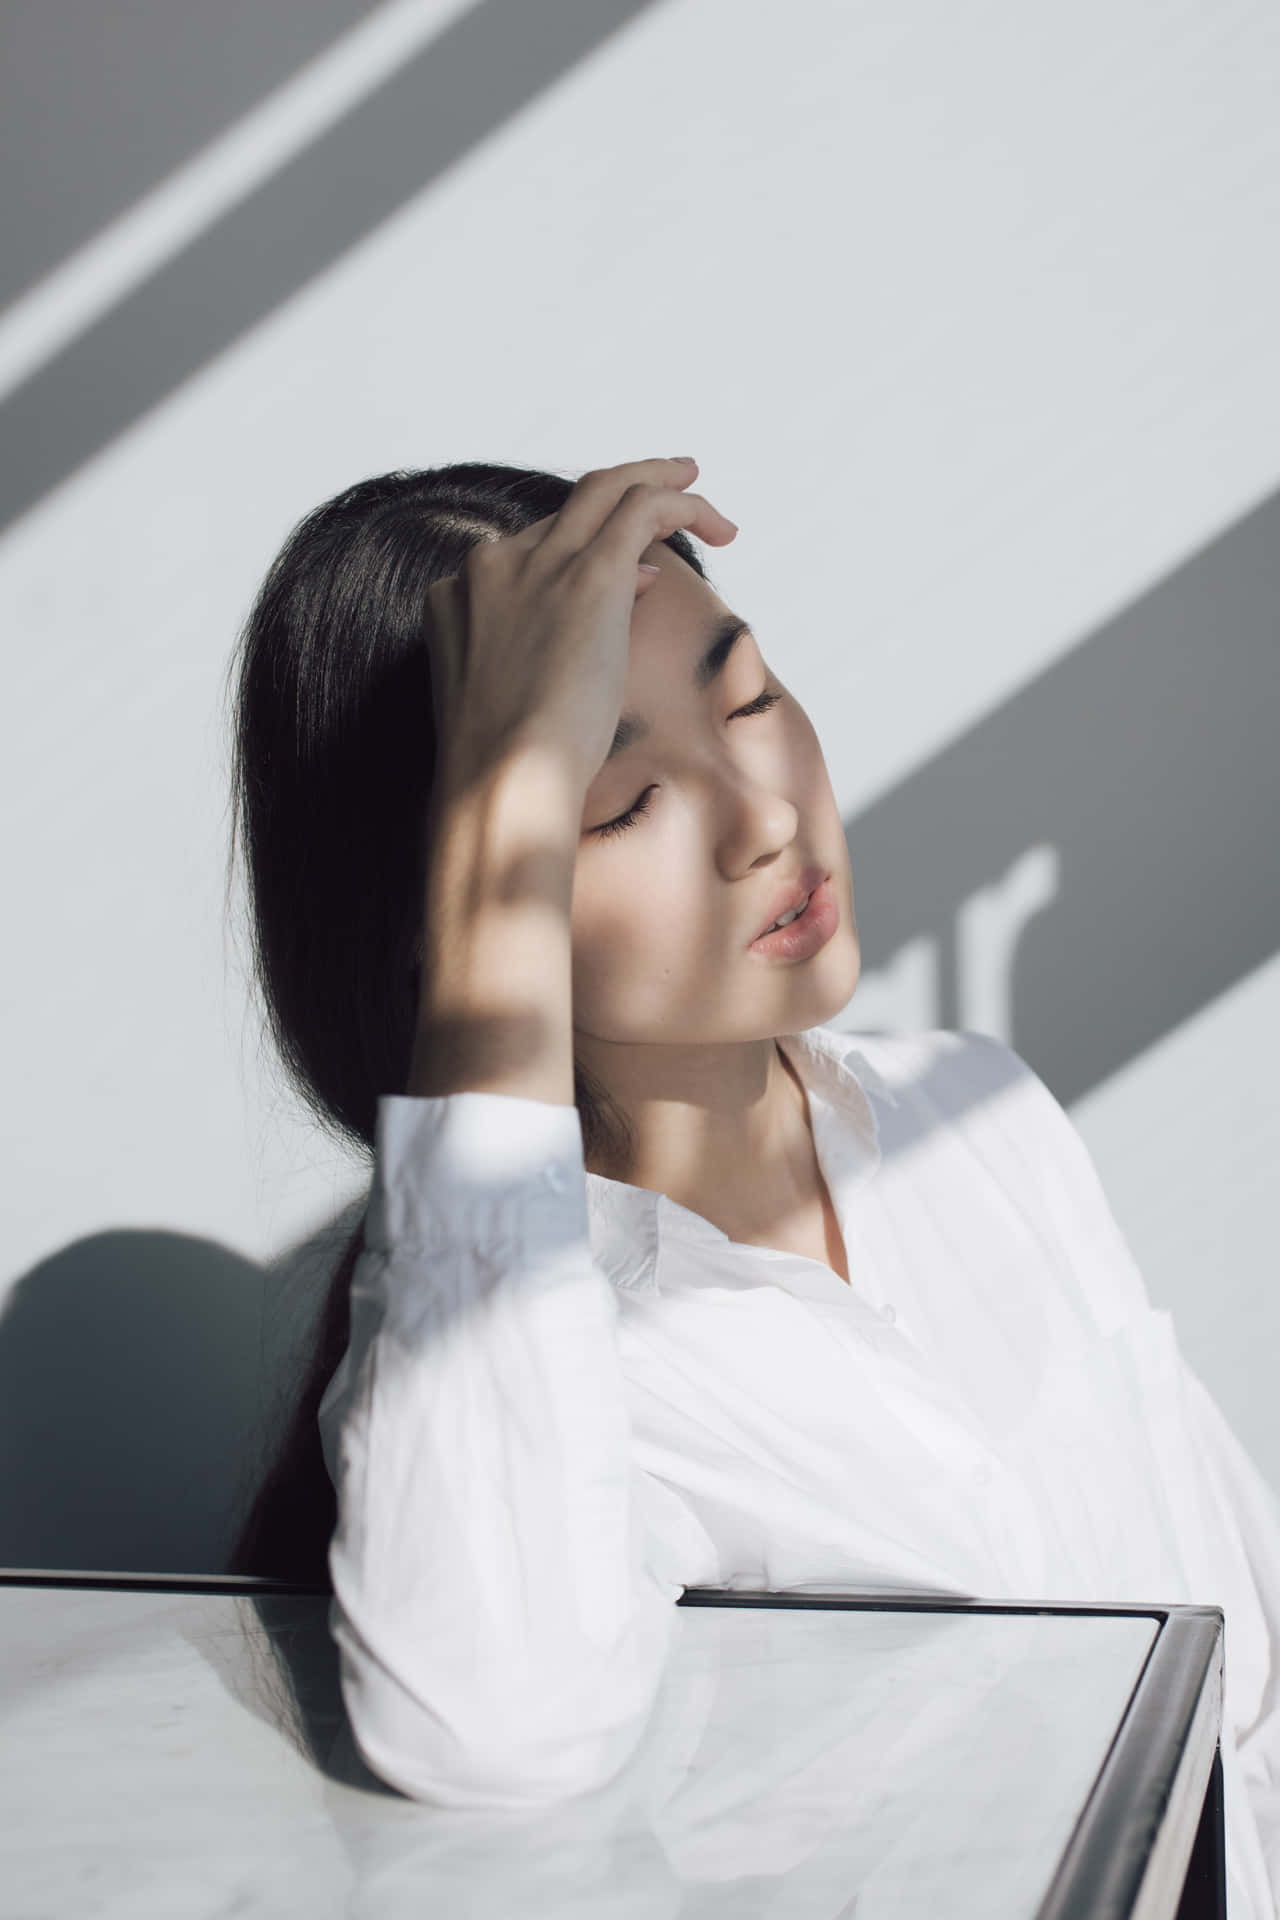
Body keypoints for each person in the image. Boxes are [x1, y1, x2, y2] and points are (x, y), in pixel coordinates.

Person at [227, 457, 1280, 1912]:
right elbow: (494, 1729)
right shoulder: (536, 1359)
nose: (762, 816)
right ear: (461, 909)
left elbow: (1240, 1651)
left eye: (749, 699)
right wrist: (495, 838)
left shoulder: (980, 1117)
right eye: (617, 802)